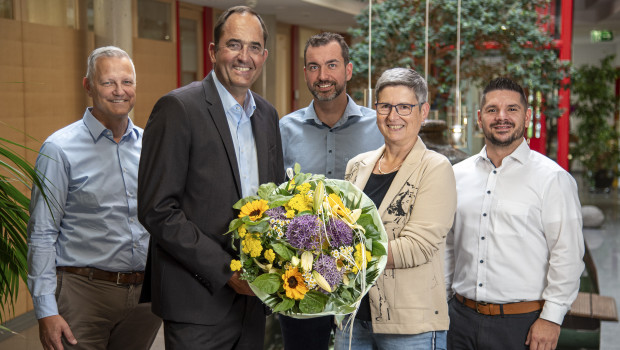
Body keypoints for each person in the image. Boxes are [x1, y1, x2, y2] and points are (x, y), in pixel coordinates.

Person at [137, 6, 284, 350]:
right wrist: (226, 271)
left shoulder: (266, 115)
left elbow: (276, 200)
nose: (243, 57)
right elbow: (157, 209)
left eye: (253, 47)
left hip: (253, 300)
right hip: (197, 301)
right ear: (213, 51)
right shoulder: (178, 109)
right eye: (234, 45)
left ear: (264, 55)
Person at [27, 46, 161, 350]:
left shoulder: (150, 146)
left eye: (127, 82)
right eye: (108, 82)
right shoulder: (59, 149)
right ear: (88, 85)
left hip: (143, 299)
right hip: (82, 295)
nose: (119, 91)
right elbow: (42, 233)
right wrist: (46, 310)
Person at [445, 77, 585, 350]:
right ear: (479, 117)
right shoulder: (456, 175)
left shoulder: (553, 179)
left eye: (512, 109)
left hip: (522, 325)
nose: (501, 117)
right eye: (492, 109)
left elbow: (566, 255)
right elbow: (448, 246)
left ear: (527, 115)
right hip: (459, 320)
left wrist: (552, 319)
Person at [334, 67, 456, 349]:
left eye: (404, 107)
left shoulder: (435, 168)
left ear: (423, 111)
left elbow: (417, 246)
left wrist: (342, 253)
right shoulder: (357, 166)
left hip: (410, 326)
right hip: (352, 318)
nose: (393, 116)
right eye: (385, 106)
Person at [278, 32, 384, 350]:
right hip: (302, 282)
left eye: (332, 65)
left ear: (348, 71)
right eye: (313, 66)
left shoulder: (378, 128)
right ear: (306, 73)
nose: (323, 76)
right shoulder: (284, 130)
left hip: (363, 282)